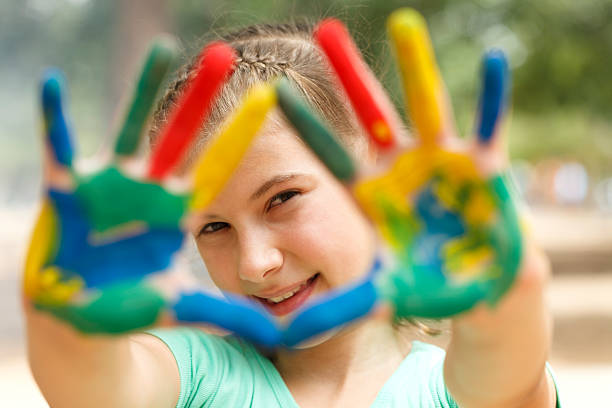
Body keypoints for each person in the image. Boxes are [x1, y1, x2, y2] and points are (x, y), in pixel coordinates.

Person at [25, 13, 559, 408]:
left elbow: (508, 373)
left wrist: (502, 291)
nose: (254, 264)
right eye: (213, 226)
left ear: (372, 173)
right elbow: (92, 391)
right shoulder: (193, 375)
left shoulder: (453, 389)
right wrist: (68, 319)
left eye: (282, 199)